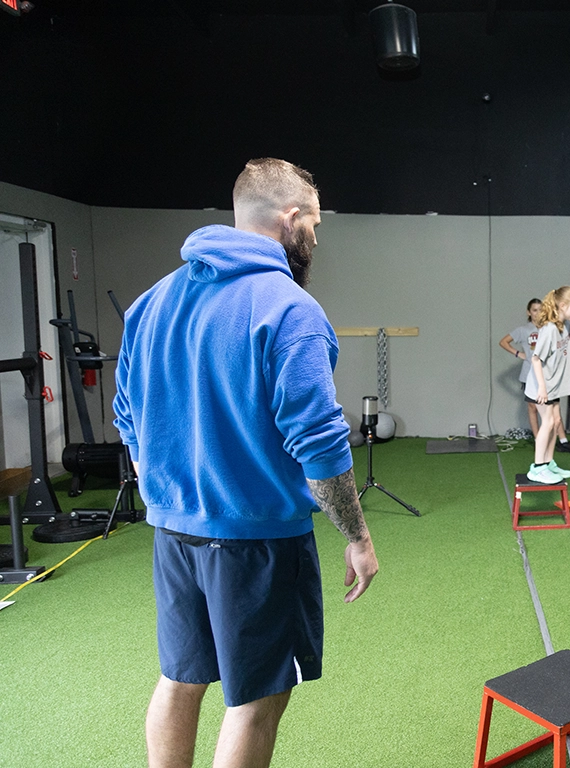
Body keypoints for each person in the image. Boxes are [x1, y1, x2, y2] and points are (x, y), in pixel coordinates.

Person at [112, 158, 379, 768]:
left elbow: (126, 414)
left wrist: (170, 491)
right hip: (258, 542)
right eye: (314, 221)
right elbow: (318, 443)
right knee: (257, 701)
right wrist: (358, 538)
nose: (317, 235)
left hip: (175, 533)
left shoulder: (152, 301)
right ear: (290, 220)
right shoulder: (291, 310)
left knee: (180, 679)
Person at [498, 298, 570, 453]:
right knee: (533, 408)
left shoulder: (550, 327)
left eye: (540, 309)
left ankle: (562, 441)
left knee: (554, 411)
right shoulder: (523, 330)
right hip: (530, 375)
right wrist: (519, 354)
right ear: (529, 312)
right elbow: (503, 342)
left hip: (548, 376)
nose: (537, 313)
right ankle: (539, 441)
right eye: (534, 310)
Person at [525, 286, 570, 485]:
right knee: (548, 423)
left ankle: (548, 463)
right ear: (563, 305)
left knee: (556, 423)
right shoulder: (549, 329)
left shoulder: (563, 327)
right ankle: (537, 468)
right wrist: (542, 388)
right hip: (542, 387)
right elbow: (535, 359)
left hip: (554, 385)